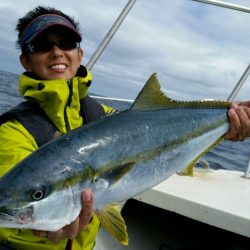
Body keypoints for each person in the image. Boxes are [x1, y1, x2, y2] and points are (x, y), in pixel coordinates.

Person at [0, 5, 250, 250]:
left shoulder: (101, 115)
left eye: (66, 43)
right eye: (42, 46)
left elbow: (150, 126)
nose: (56, 52)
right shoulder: (11, 130)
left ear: (79, 54)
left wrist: (229, 121)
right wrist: (39, 236)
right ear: (26, 60)